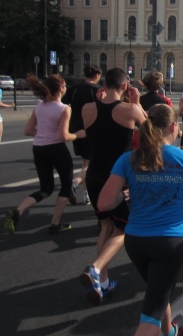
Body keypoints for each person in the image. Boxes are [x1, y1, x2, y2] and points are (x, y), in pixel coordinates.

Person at [98, 104, 183, 336]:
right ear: (174, 127)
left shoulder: (129, 158)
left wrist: (125, 195)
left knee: (158, 291)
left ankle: (169, 331)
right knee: (151, 312)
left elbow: (103, 203)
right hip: (169, 241)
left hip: (136, 240)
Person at [79, 67, 146, 305]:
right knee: (123, 228)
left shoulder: (87, 109)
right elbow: (151, 132)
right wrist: (137, 104)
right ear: (125, 86)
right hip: (117, 177)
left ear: (104, 85)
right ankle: (96, 268)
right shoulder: (130, 110)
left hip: (94, 176)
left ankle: (103, 283)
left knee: (105, 226)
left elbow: (97, 129)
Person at [4, 74, 84, 235]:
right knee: (66, 186)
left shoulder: (39, 105)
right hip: (57, 149)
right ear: (60, 88)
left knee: (46, 189)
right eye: (65, 85)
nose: (66, 87)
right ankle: (55, 224)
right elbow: (64, 136)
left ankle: (18, 211)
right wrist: (79, 134)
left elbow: (28, 130)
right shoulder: (64, 108)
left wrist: (43, 134)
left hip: (39, 149)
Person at [62, 64, 102, 205]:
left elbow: (63, 104)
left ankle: (86, 195)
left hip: (75, 130)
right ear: (97, 75)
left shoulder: (74, 89)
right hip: (91, 130)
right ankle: (74, 183)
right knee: (91, 165)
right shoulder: (97, 90)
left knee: (86, 163)